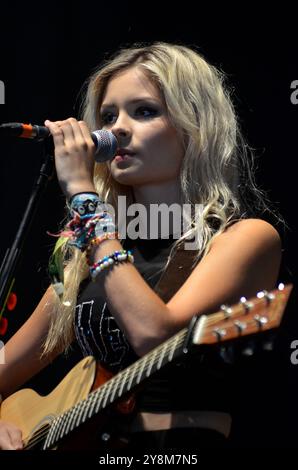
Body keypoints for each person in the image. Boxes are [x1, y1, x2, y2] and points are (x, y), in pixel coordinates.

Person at [0, 42, 282, 450]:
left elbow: (154, 335)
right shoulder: (83, 257)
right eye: (109, 115)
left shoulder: (245, 239)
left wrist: (83, 196)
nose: (116, 128)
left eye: (144, 111)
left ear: (195, 126)